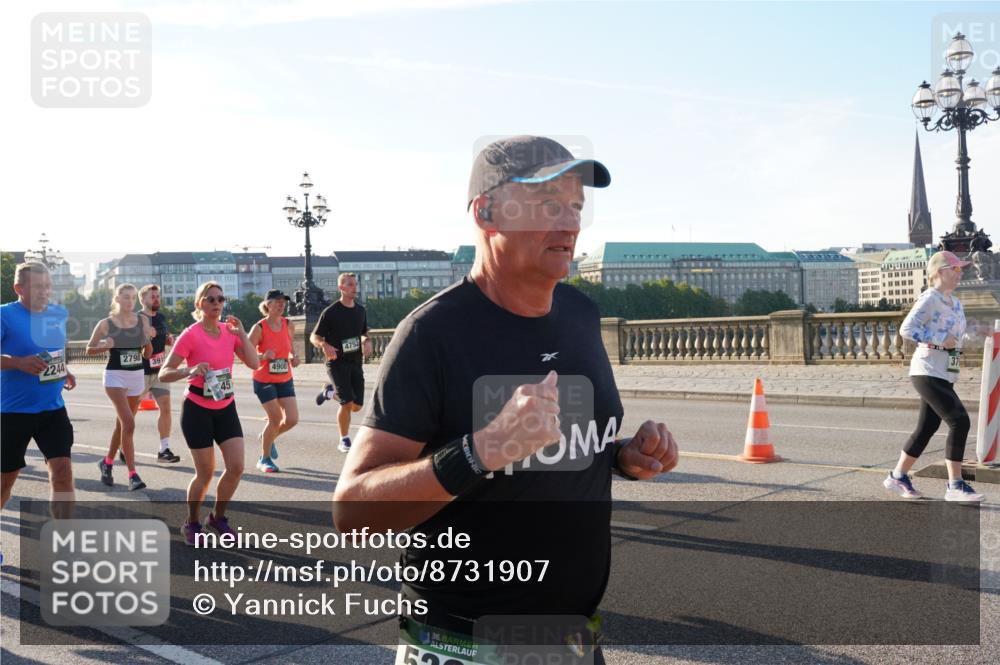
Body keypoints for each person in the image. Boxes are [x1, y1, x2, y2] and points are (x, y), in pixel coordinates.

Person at [333, 136, 680, 663]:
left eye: (576, 206)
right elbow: (353, 510)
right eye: (548, 205)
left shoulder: (581, 315)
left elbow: (554, 449)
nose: (570, 224)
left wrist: (624, 457)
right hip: (464, 646)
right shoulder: (433, 334)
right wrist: (482, 450)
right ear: (487, 212)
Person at [158, 281, 259, 544]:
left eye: (220, 299)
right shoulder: (190, 335)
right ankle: (191, 522)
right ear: (199, 304)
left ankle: (217, 517)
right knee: (205, 473)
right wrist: (188, 371)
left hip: (225, 406)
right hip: (197, 410)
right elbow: (164, 373)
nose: (216, 303)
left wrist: (244, 335)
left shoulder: (230, 331)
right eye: (210, 299)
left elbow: (254, 362)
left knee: (236, 467)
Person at [886, 250, 984, 503]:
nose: (960, 273)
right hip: (927, 369)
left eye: (961, 269)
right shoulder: (930, 298)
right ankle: (955, 485)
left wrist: (982, 331)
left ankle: (898, 476)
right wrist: (941, 339)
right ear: (941, 271)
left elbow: (960, 336)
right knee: (959, 421)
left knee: (926, 428)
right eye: (956, 269)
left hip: (944, 372)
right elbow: (906, 329)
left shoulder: (956, 302)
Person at [1, 262, 76, 517]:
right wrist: (17, 362)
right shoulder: (5, 315)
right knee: (4, 483)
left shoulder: (57, 314)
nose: (45, 291)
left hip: (52, 410)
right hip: (11, 413)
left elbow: (53, 351)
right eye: (38, 286)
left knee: (63, 473)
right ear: (18, 288)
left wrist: (63, 369)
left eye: (48, 286)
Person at [86, 283, 154, 491]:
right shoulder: (106, 324)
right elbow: (89, 350)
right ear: (116, 299)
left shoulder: (142, 320)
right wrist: (103, 347)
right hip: (115, 376)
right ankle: (133, 475)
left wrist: (148, 338)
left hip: (135, 376)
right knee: (129, 424)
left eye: (133, 298)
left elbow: (147, 355)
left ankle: (106, 463)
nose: (130, 301)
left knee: (122, 425)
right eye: (125, 297)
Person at [311, 273, 371, 452]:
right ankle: (344, 439)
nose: (355, 288)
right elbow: (314, 336)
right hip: (336, 362)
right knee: (346, 403)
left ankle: (329, 393)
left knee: (356, 406)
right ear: (341, 288)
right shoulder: (331, 312)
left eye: (355, 284)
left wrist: (366, 341)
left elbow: (364, 333)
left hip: (355, 361)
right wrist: (324, 344)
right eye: (350, 285)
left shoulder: (361, 311)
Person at [248, 289, 301, 473]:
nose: (281, 305)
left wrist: (294, 357)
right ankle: (264, 458)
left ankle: (267, 437)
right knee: (276, 418)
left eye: (283, 302)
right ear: (268, 305)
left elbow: (290, 348)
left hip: (285, 377)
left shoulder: (289, 324)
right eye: (277, 302)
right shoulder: (259, 328)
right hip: (264, 380)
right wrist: (262, 356)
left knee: (292, 419)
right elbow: (246, 354)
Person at [138, 284, 180, 463]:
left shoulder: (161, 317)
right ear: (143, 300)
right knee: (129, 413)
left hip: (159, 372)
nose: (156, 299)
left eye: (157, 296)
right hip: (139, 373)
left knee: (166, 408)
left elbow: (164, 335)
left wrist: (169, 339)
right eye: (152, 296)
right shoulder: (137, 319)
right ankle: (124, 445)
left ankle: (164, 449)